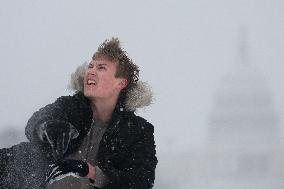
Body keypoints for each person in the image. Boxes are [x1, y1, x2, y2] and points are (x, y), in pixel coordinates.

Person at [0, 38, 158, 189]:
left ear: (121, 83)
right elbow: (35, 124)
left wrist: (91, 172)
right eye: (91, 66)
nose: (91, 71)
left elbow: (141, 182)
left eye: (101, 67)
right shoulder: (69, 106)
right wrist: (46, 127)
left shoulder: (138, 131)